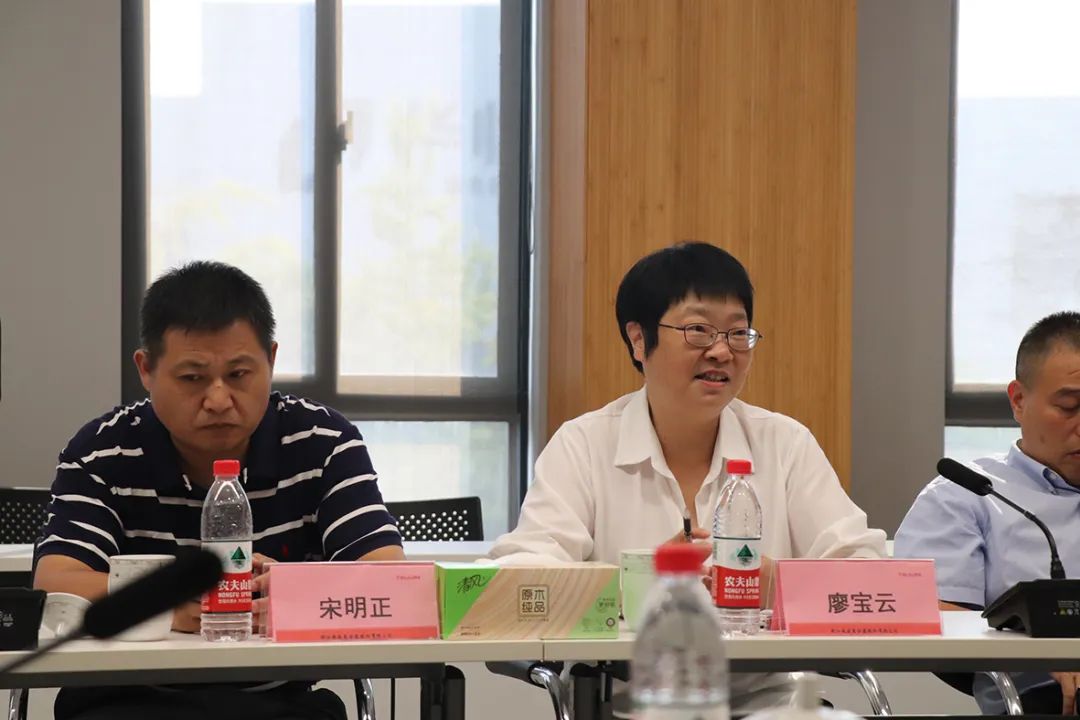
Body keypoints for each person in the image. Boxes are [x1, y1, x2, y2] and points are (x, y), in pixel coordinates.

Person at [490, 241, 887, 708]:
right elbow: (522, 576)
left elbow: (870, 575)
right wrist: (639, 583)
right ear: (639, 340)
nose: (722, 351)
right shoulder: (584, 445)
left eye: (737, 333)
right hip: (632, 706)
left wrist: (776, 584)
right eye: (698, 330)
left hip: (771, 704)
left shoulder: (785, 444)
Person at [33, 261, 404, 720]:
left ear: (271, 360)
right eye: (192, 378)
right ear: (146, 369)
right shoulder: (101, 451)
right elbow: (56, 580)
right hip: (127, 696)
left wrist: (293, 592)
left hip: (276, 700)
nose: (218, 399)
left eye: (239, 374)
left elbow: (388, 575)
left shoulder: (323, 442)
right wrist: (165, 600)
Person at [896, 311, 1080, 715]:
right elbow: (929, 613)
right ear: (1018, 400)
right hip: (1040, 698)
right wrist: (1040, 654)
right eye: (1070, 406)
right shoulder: (966, 494)